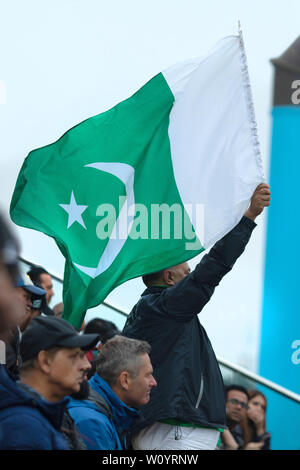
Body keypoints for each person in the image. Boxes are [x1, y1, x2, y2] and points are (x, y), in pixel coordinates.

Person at [122, 183, 271, 450]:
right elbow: (212, 268)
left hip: (173, 426)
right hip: (176, 429)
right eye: (186, 273)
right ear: (169, 278)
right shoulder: (165, 306)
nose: (191, 278)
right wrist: (248, 218)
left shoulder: (157, 310)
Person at [0, 315, 99, 450]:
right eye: (74, 356)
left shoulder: (38, 417)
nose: (86, 365)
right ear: (45, 361)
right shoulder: (24, 427)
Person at [67, 335, 157, 450]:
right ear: (125, 380)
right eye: (148, 375)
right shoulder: (91, 422)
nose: (154, 382)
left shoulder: (111, 413)